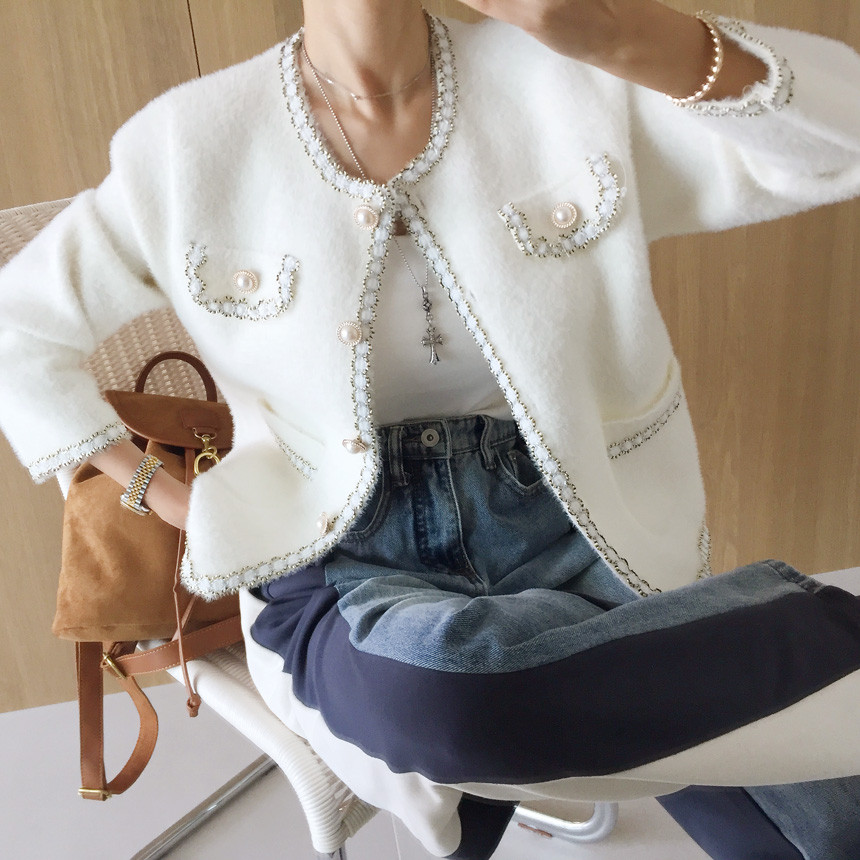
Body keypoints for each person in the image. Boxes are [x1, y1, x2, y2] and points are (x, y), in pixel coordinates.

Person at [1, 0, 859, 857]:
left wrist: (622, 34)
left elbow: (840, 144)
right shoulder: (189, 143)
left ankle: (553, 707)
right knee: (449, 704)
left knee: (816, 828)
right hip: (342, 557)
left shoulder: (570, 82)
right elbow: (16, 332)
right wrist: (162, 493)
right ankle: (795, 649)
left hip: (585, 525)